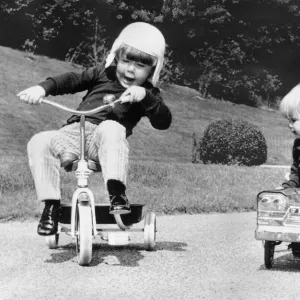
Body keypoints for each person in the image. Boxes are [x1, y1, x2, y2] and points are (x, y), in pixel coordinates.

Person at [17, 22, 172, 236]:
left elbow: (163, 121)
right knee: (40, 141)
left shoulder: (147, 91)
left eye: (140, 66)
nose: (130, 69)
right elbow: (72, 80)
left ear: (152, 70)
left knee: (111, 127)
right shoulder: (102, 74)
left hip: (105, 143)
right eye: (126, 61)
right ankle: (50, 208)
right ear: (116, 57)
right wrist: (42, 88)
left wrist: (146, 97)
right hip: (74, 133)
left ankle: (117, 193)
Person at [279, 84, 300, 188]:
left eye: (293, 120)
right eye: (289, 120)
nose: (289, 125)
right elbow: (296, 174)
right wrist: (287, 188)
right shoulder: (298, 145)